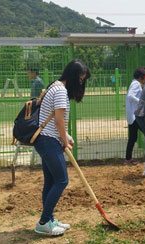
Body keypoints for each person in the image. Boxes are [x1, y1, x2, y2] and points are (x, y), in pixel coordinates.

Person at [33, 59, 90, 235]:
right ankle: (43, 222)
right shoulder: (59, 91)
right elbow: (58, 122)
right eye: (80, 79)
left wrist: (67, 137)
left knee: (51, 181)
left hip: (47, 139)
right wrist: (65, 141)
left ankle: (48, 218)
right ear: (73, 76)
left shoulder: (55, 87)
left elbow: (56, 123)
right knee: (62, 180)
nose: (81, 83)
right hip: (49, 141)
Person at [125, 67, 145, 164]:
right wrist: (141, 102)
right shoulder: (135, 84)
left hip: (132, 116)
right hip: (135, 116)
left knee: (133, 137)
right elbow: (130, 96)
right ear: (140, 77)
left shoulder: (135, 83)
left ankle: (128, 158)